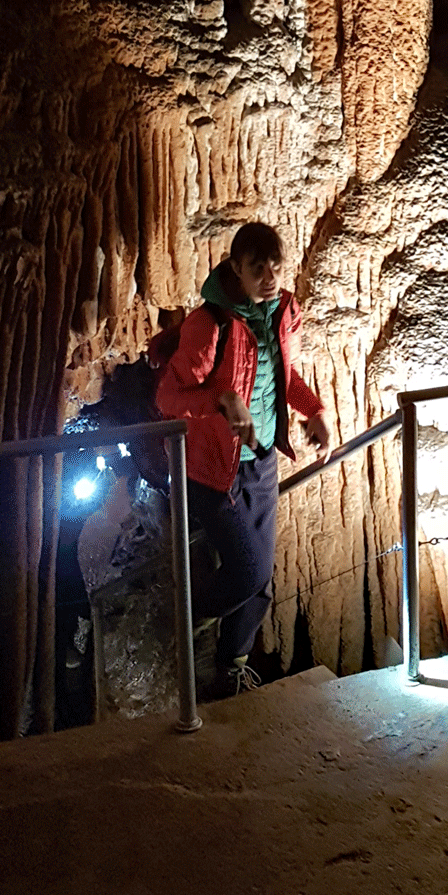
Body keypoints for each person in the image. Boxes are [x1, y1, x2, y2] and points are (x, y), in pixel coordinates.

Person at [156, 221, 329, 695]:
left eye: (276, 267)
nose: (270, 277)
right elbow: (169, 396)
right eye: (258, 268)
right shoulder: (208, 324)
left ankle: (230, 668)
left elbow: (283, 376)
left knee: (263, 581)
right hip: (212, 470)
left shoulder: (282, 311)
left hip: (262, 459)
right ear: (236, 267)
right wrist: (220, 399)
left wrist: (313, 411)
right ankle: (181, 614)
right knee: (248, 571)